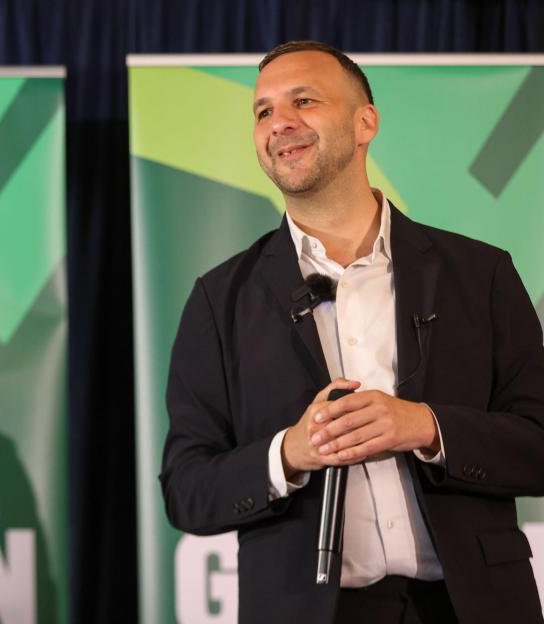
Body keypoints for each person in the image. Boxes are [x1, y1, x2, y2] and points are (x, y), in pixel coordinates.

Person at [160, 40, 544, 624]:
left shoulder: (479, 274)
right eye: (262, 111)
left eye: (304, 100)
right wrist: (289, 453)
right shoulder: (220, 300)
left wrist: (427, 427)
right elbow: (186, 489)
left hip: (471, 607)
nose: (279, 123)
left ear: (365, 122)